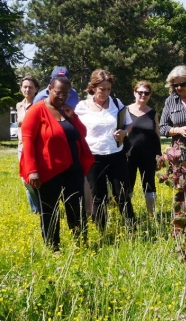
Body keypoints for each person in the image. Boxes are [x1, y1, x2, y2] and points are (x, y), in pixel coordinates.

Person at [20, 77, 94, 251]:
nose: (62, 96)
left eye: (66, 94)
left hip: (73, 169)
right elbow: (28, 141)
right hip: (48, 170)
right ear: (49, 89)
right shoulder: (37, 110)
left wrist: (72, 117)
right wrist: (32, 170)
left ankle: (81, 244)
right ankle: (53, 248)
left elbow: (81, 133)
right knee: (50, 211)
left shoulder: (66, 110)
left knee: (76, 207)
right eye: (58, 92)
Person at [74, 69, 135, 234]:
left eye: (108, 89)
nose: (106, 93)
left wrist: (124, 133)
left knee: (121, 193)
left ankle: (132, 230)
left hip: (116, 154)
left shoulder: (116, 103)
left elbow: (128, 123)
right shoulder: (82, 107)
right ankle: (102, 231)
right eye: (102, 89)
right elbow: (74, 129)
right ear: (93, 87)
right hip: (94, 157)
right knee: (98, 196)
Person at [126, 81, 162, 215]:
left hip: (148, 156)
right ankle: (127, 214)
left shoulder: (153, 113)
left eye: (146, 93)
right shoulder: (126, 111)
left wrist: (159, 155)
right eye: (140, 92)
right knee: (127, 185)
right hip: (129, 155)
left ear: (150, 95)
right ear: (134, 93)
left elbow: (157, 134)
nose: (143, 95)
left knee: (149, 185)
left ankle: (151, 215)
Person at [16, 76, 40, 213]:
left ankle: (41, 208)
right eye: (24, 87)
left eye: (30, 87)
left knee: (34, 180)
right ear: (21, 89)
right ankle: (35, 210)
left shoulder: (39, 105)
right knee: (25, 181)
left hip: (34, 148)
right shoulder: (19, 105)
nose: (27, 89)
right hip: (21, 148)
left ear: (36, 89)